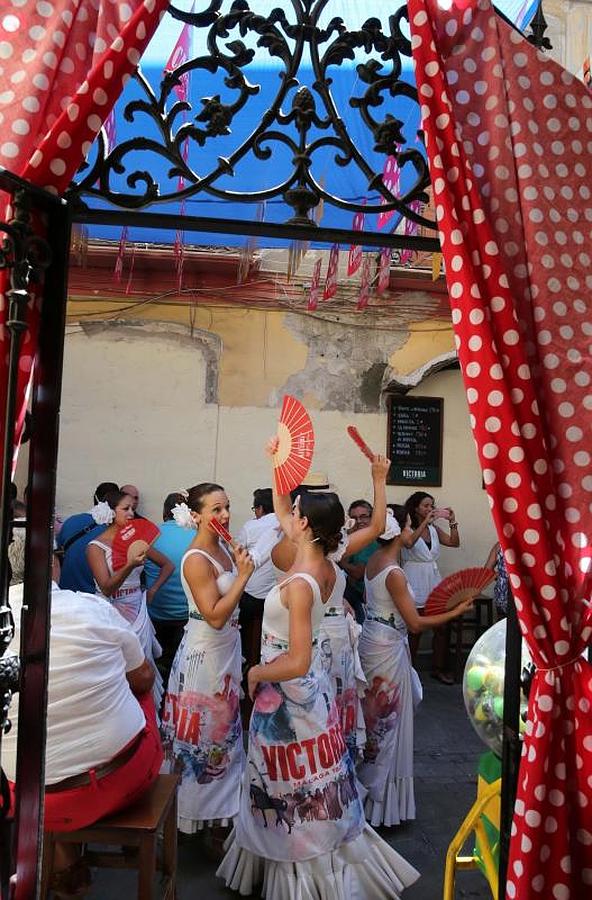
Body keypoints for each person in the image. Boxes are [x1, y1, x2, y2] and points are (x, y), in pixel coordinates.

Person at [217, 440, 419, 899]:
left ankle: (301, 870)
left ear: (303, 525)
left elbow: (299, 659)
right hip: (317, 685)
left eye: (295, 514)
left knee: (292, 781)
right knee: (308, 777)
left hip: (291, 688)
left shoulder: (304, 580)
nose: (287, 517)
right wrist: (279, 466)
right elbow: (291, 509)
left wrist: (255, 674)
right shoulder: (329, 557)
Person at [3, 560, 163, 897]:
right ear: (51, 562)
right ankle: (85, 851)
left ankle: (63, 862)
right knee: (142, 690)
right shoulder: (92, 608)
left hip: (26, 798)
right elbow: (143, 678)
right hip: (119, 779)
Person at [270, 457, 391, 764]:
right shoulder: (333, 550)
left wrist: (278, 465)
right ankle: (337, 762)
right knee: (336, 709)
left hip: (312, 641)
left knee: (311, 717)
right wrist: (378, 478)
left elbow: (282, 510)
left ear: (303, 518)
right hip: (337, 642)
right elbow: (377, 525)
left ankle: (315, 767)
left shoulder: (293, 549)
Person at [358, 507, 473, 827]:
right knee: (390, 720)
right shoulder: (394, 572)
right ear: (400, 532)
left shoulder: (374, 561)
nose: (416, 532)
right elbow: (416, 623)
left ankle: (370, 794)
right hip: (388, 644)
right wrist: (456, 611)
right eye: (412, 526)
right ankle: (383, 804)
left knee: (375, 719)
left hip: (374, 638)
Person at [161, 483, 254, 834]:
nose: (226, 515)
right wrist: (243, 576)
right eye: (216, 510)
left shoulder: (224, 549)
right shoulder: (197, 558)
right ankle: (195, 816)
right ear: (196, 515)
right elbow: (214, 616)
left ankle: (222, 812)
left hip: (228, 648)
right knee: (203, 738)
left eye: (227, 506)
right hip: (204, 655)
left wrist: (240, 565)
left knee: (225, 734)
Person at [86, 490, 173, 704]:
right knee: (114, 667)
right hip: (109, 611)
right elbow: (106, 587)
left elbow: (167, 565)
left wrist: (152, 590)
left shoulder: (136, 542)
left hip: (136, 609)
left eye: (133, 508)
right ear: (110, 512)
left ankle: (145, 718)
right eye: (125, 509)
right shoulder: (95, 547)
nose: (131, 513)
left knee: (142, 665)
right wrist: (130, 565)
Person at [401, 491, 460, 685]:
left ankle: (438, 668)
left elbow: (454, 542)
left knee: (441, 628)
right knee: (414, 629)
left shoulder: (434, 530)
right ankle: (409, 671)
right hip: (414, 579)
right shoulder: (407, 528)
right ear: (416, 508)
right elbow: (409, 544)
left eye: (432, 506)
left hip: (433, 580)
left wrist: (452, 522)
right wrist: (425, 522)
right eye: (426, 505)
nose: (430, 509)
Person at [145, 492, 195, 692]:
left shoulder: (150, 534)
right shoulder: (198, 536)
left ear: (165, 512)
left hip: (155, 611)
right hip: (186, 615)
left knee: (158, 661)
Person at [237, 488, 281, 682]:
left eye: (255, 508)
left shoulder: (251, 526)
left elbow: (236, 554)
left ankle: (245, 660)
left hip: (251, 595)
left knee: (240, 626)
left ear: (261, 508)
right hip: (275, 597)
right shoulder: (286, 525)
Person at [57, 481, 119, 593]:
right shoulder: (114, 532)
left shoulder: (71, 521)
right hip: (95, 597)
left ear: (94, 498)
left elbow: (58, 552)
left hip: (66, 592)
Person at [340, 499, 381, 623]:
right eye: (354, 517)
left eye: (363, 517)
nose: (359, 521)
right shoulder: (349, 538)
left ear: (372, 517)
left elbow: (359, 573)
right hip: (352, 597)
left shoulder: (374, 541)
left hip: (372, 600)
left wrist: (342, 563)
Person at [485, 541, 510, 618]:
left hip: (502, 596)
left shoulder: (499, 545)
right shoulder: (529, 543)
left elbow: (487, 570)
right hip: (524, 597)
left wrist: (502, 577)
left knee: (503, 627)